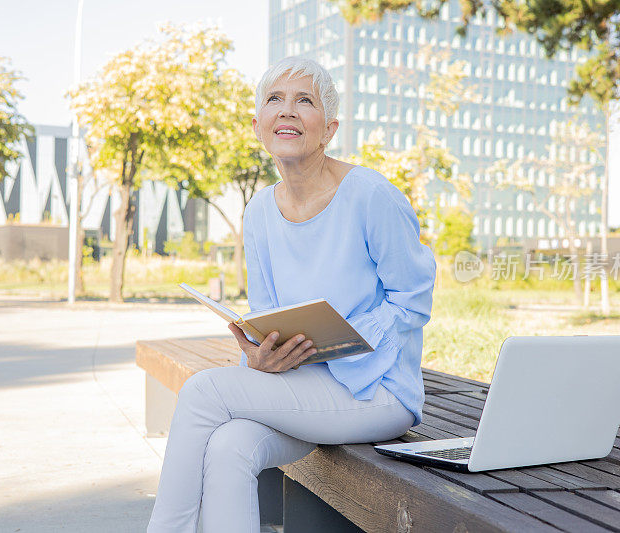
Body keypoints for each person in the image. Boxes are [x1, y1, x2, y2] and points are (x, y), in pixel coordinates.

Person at [146, 57, 436, 533]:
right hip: (301, 386)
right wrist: (263, 355)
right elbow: (266, 312)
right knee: (229, 446)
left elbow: (414, 298)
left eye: (305, 101)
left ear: (329, 128)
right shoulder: (259, 211)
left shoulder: (370, 194)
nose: (288, 111)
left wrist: (341, 341)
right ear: (257, 124)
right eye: (274, 100)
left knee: (202, 391)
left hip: (377, 392)